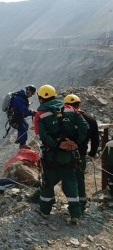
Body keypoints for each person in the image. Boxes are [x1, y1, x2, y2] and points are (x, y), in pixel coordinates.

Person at [34, 85, 89, 224]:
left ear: (40, 98)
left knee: (48, 183)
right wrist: (75, 142)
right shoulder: (70, 109)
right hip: (69, 156)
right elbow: (85, 127)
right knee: (71, 182)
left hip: (51, 156)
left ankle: (45, 211)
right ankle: (75, 214)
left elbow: (42, 135)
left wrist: (57, 144)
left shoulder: (40, 115)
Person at [64, 94, 100, 213]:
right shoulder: (90, 119)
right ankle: (82, 204)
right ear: (79, 104)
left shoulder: (66, 118)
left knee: (68, 179)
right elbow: (95, 139)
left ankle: (73, 206)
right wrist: (92, 153)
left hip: (66, 153)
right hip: (82, 154)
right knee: (79, 179)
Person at [8, 85, 36, 149]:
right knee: (23, 129)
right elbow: (24, 110)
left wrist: (32, 112)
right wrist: (33, 113)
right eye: (32, 93)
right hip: (15, 116)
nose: (31, 95)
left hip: (17, 115)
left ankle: (19, 139)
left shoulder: (21, 97)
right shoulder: (19, 98)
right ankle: (22, 144)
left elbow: (24, 109)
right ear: (29, 92)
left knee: (26, 125)